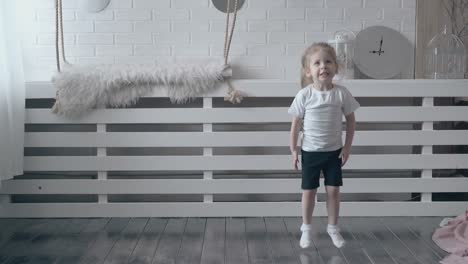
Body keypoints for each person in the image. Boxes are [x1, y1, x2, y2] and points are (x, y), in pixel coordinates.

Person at [288, 42, 360, 249]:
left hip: (333, 153)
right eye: (317, 63)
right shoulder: (305, 95)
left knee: (333, 191)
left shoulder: (341, 93)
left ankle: (333, 228)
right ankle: (307, 229)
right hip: (310, 152)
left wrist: (347, 148)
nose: (323, 66)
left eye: (328, 61)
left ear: (335, 67)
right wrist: (294, 151)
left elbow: (352, 121)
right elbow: (295, 125)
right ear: (308, 71)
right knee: (309, 191)